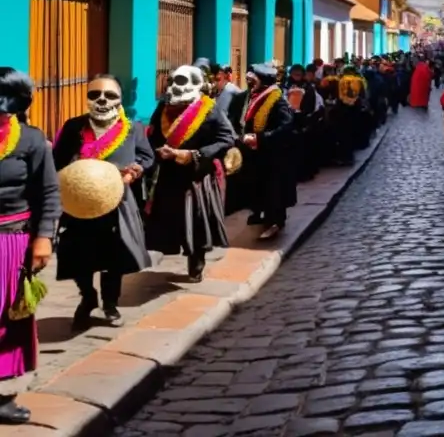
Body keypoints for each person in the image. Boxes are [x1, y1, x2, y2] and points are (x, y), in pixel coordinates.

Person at [52, 75, 153, 330]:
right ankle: (87, 297)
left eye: (109, 95)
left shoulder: (132, 128)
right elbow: (57, 160)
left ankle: (110, 303)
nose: (102, 100)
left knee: (113, 257)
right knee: (78, 254)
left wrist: (135, 171)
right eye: (95, 95)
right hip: (79, 204)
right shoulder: (74, 126)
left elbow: (146, 157)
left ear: (119, 100)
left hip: (116, 203)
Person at [0, 69, 59, 425]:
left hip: (11, 241)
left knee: (6, 318)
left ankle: (1, 396)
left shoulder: (32, 141)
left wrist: (43, 238)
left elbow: (49, 193)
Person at [146, 65, 235, 281]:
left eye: (182, 82)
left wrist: (193, 154)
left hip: (196, 175)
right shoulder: (163, 108)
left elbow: (227, 138)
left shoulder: (209, 109)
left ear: (196, 85)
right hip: (169, 173)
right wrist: (158, 149)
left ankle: (197, 261)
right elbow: (154, 133)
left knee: (195, 220)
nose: (176, 87)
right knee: (171, 219)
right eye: (173, 82)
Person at [239, 63, 296, 240]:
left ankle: (275, 222)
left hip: (274, 154)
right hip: (259, 153)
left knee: (274, 190)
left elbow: (286, 126)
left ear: (263, 80)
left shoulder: (277, 99)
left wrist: (260, 138)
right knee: (261, 188)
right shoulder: (256, 96)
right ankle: (262, 215)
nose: (249, 83)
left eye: (253, 79)